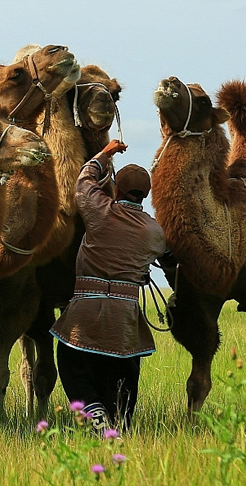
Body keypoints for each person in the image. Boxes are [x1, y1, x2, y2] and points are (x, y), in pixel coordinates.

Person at [50, 139, 166, 433]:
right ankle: (118, 430)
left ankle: (94, 415)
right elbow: (166, 257)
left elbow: (84, 178)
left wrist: (107, 152)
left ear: (116, 189)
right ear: (146, 196)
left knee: (74, 366)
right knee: (123, 376)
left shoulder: (101, 210)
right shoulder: (154, 232)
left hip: (85, 313)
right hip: (125, 319)